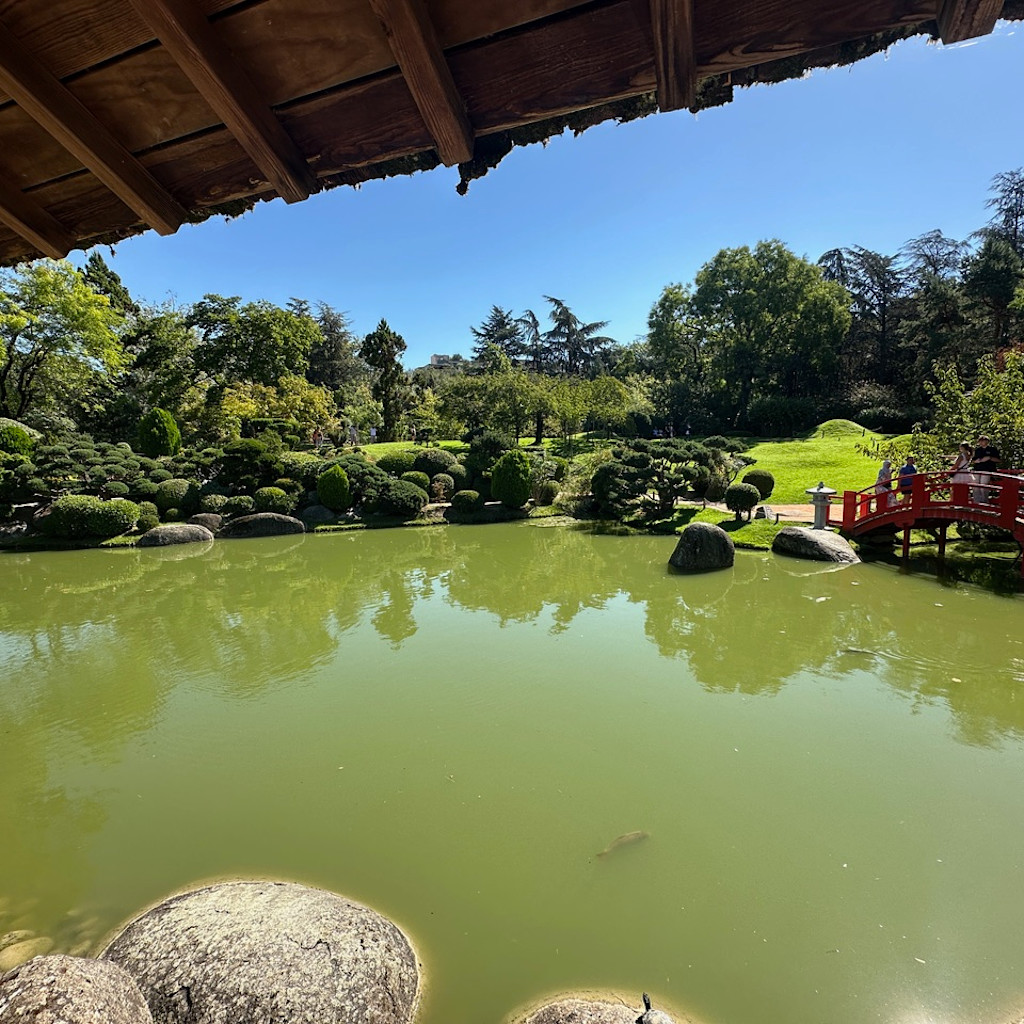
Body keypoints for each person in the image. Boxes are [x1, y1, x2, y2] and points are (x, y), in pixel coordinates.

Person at [972, 434, 1001, 502]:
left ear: (987, 441)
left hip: (987, 469)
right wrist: (976, 461)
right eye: (980, 441)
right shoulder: (977, 450)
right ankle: (976, 501)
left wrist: (989, 458)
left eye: (983, 441)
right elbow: (973, 460)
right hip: (977, 469)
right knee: (975, 485)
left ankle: (984, 501)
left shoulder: (992, 450)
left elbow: (999, 460)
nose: (981, 442)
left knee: (984, 485)